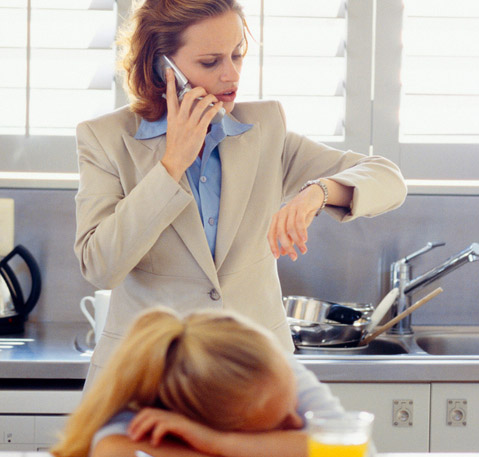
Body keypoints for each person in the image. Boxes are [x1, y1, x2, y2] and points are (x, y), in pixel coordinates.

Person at [74, 0, 407, 388]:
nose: (231, 74)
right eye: (210, 62)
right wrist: (171, 165)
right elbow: (100, 266)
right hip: (148, 383)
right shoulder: (106, 139)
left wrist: (317, 192)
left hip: (254, 381)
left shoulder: (263, 129)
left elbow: (388, 178)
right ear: (162, 68)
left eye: (237, 54)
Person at [51, 307, 345, 457]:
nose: (297, 422)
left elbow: (348, 456)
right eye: (280, 423)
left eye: (293, 404)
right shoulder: (161, 395)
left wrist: (216, 442)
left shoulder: (270, 367)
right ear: (196, 417)